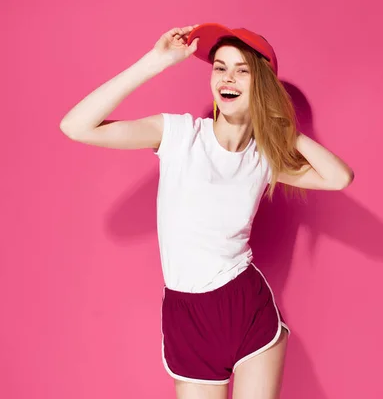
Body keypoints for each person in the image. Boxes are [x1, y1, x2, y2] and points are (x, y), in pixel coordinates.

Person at [59, 23, 354, 399]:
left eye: (242, 70)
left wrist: (282, 128)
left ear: (261, 84)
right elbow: (75, 126)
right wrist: (155, 62)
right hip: (187, 317)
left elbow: (339, 177)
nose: (227, 77)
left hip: (245, 307)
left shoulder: (264, 158)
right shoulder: (178, 135)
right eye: (219, 67)